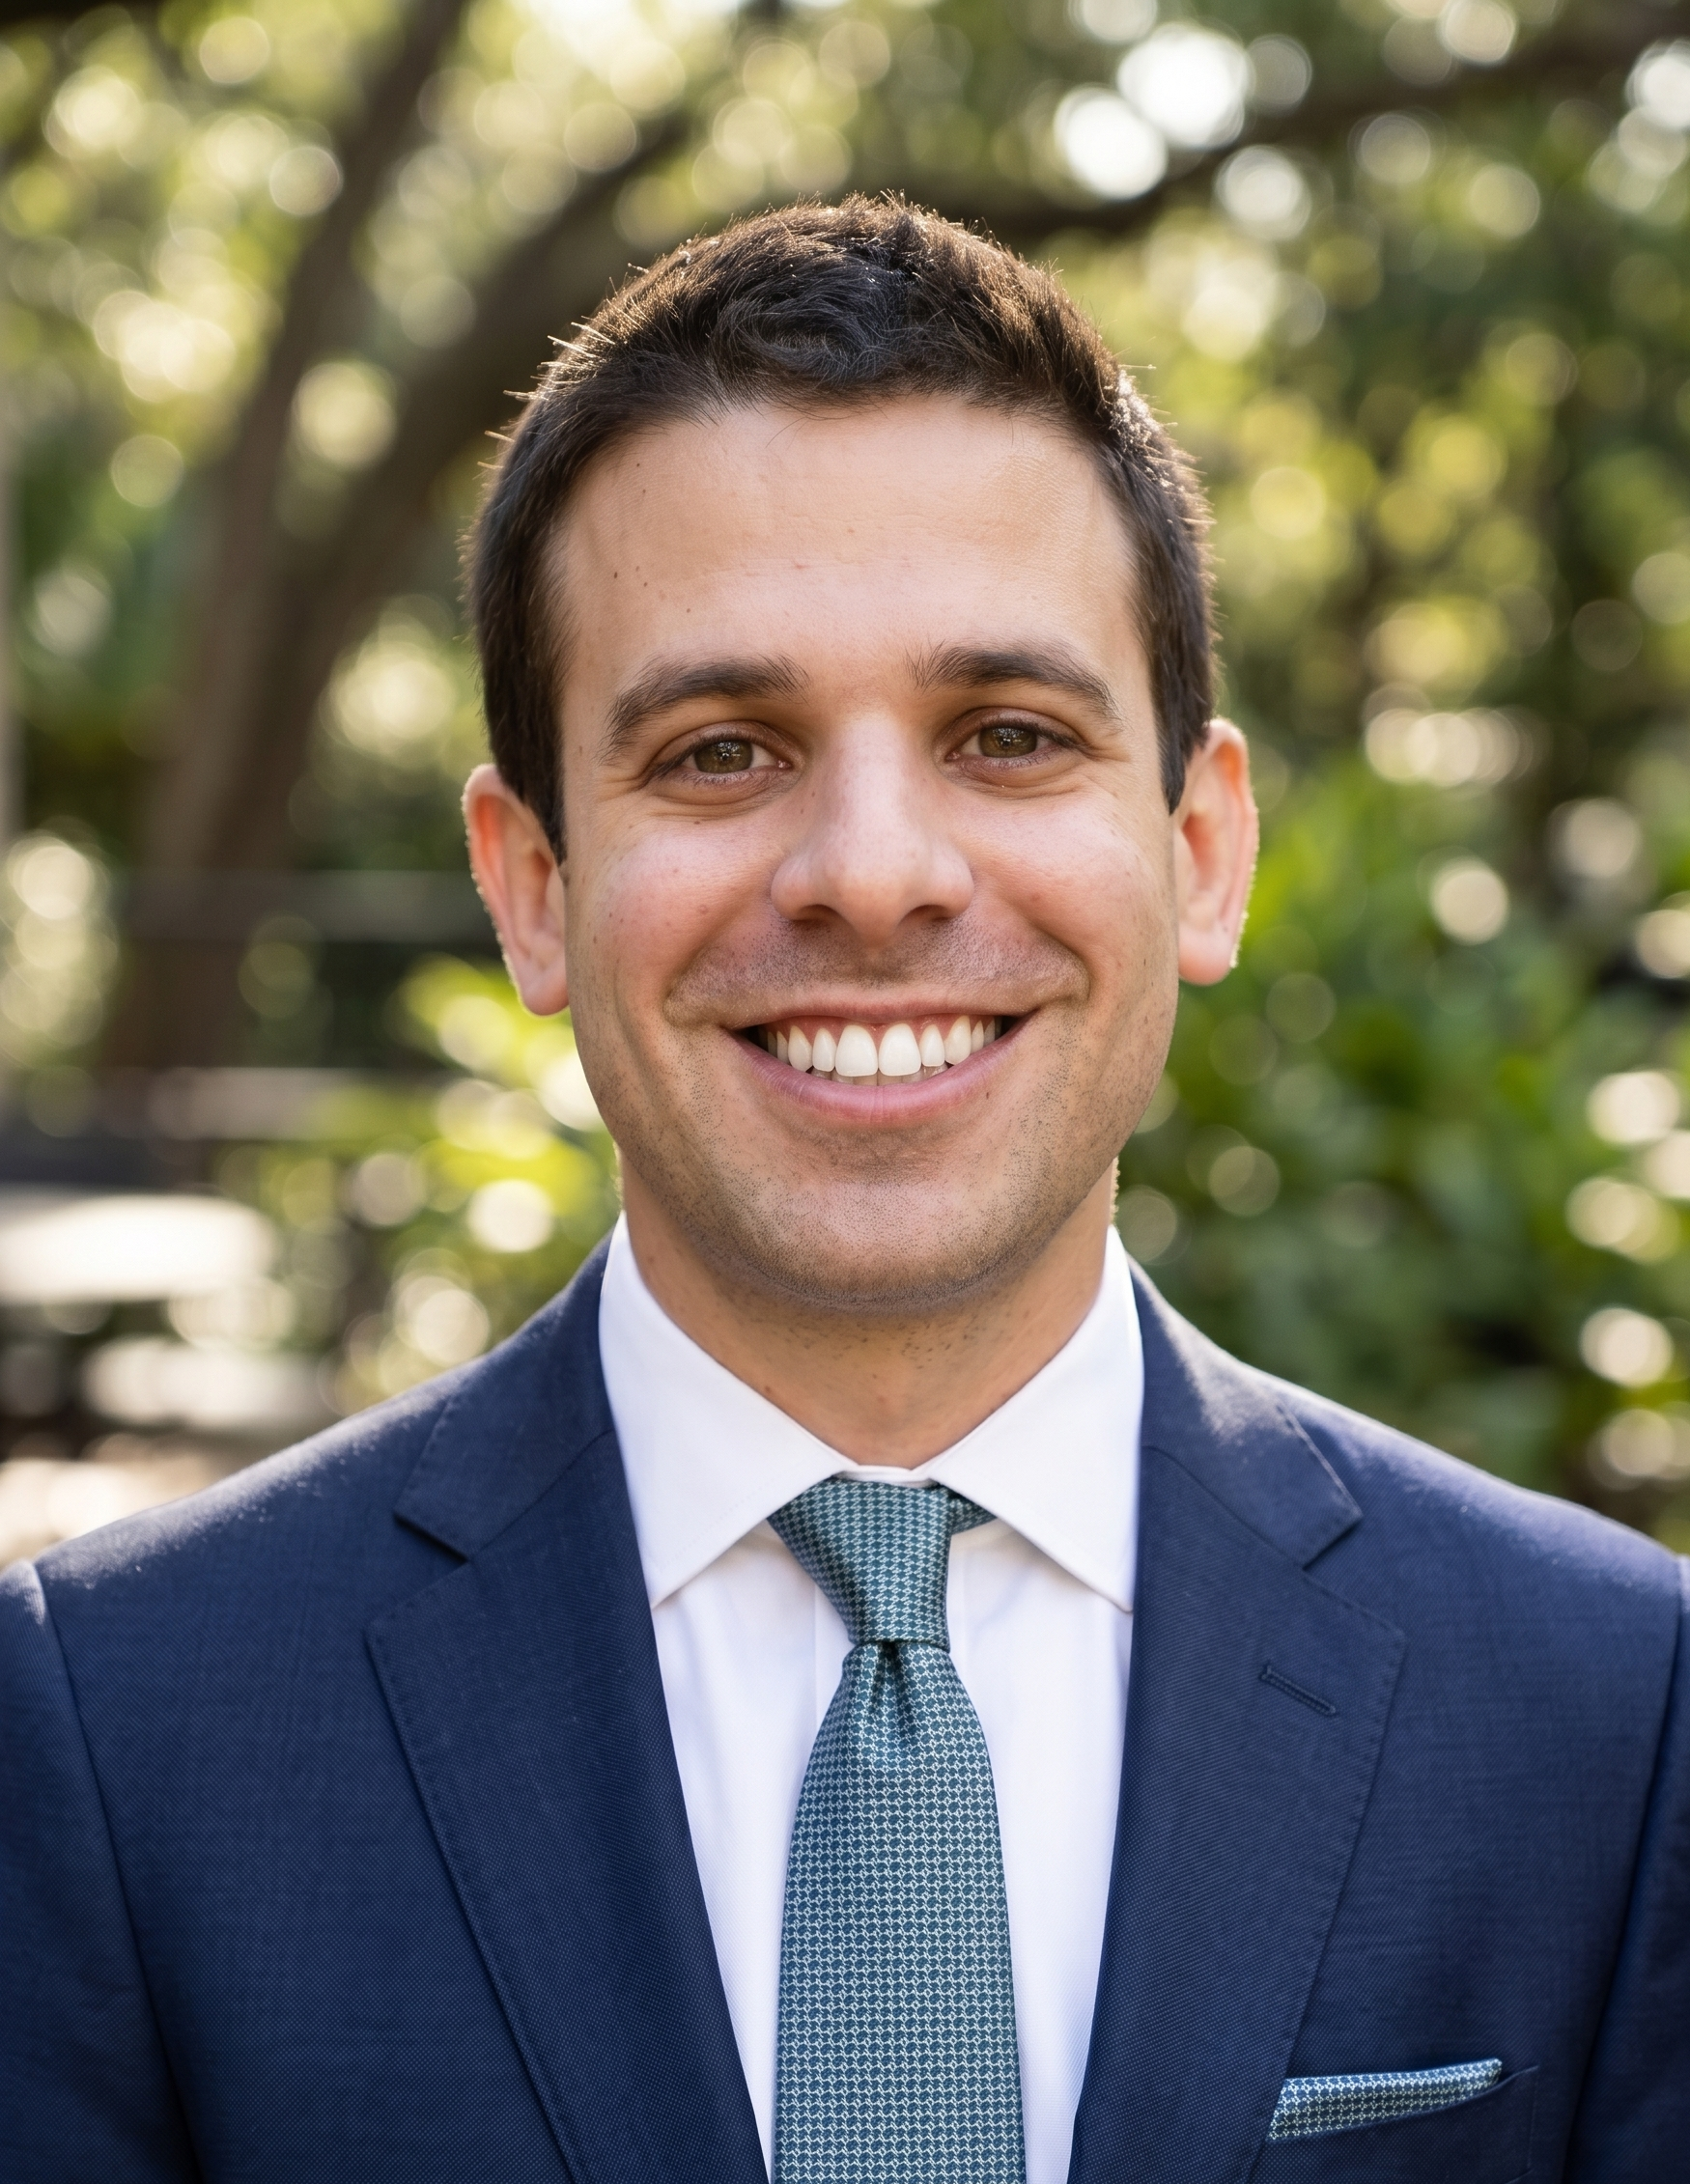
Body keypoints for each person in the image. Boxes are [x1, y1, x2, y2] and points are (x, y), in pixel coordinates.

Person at [2, 199, 1684, 2184]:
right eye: (722, 751)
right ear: (530, 887)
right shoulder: (114, 1730)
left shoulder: (1612, 1715)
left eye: (1007, 736)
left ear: (1199, 850)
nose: (872, 874)